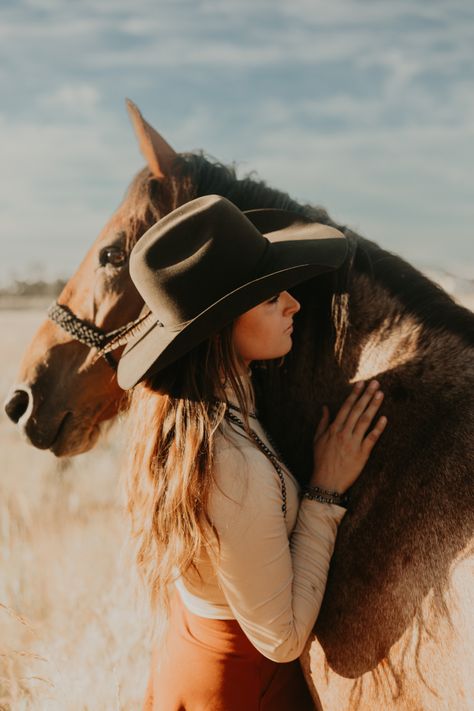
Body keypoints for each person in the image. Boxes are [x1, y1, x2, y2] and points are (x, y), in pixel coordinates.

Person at [112, 195, 387, 710]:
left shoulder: (192, 417)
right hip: (239, 690)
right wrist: (325, 491)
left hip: (189, 658)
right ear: (220, 330)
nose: (293, 304)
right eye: (267, 298)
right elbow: (280, 638)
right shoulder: (230, 466)